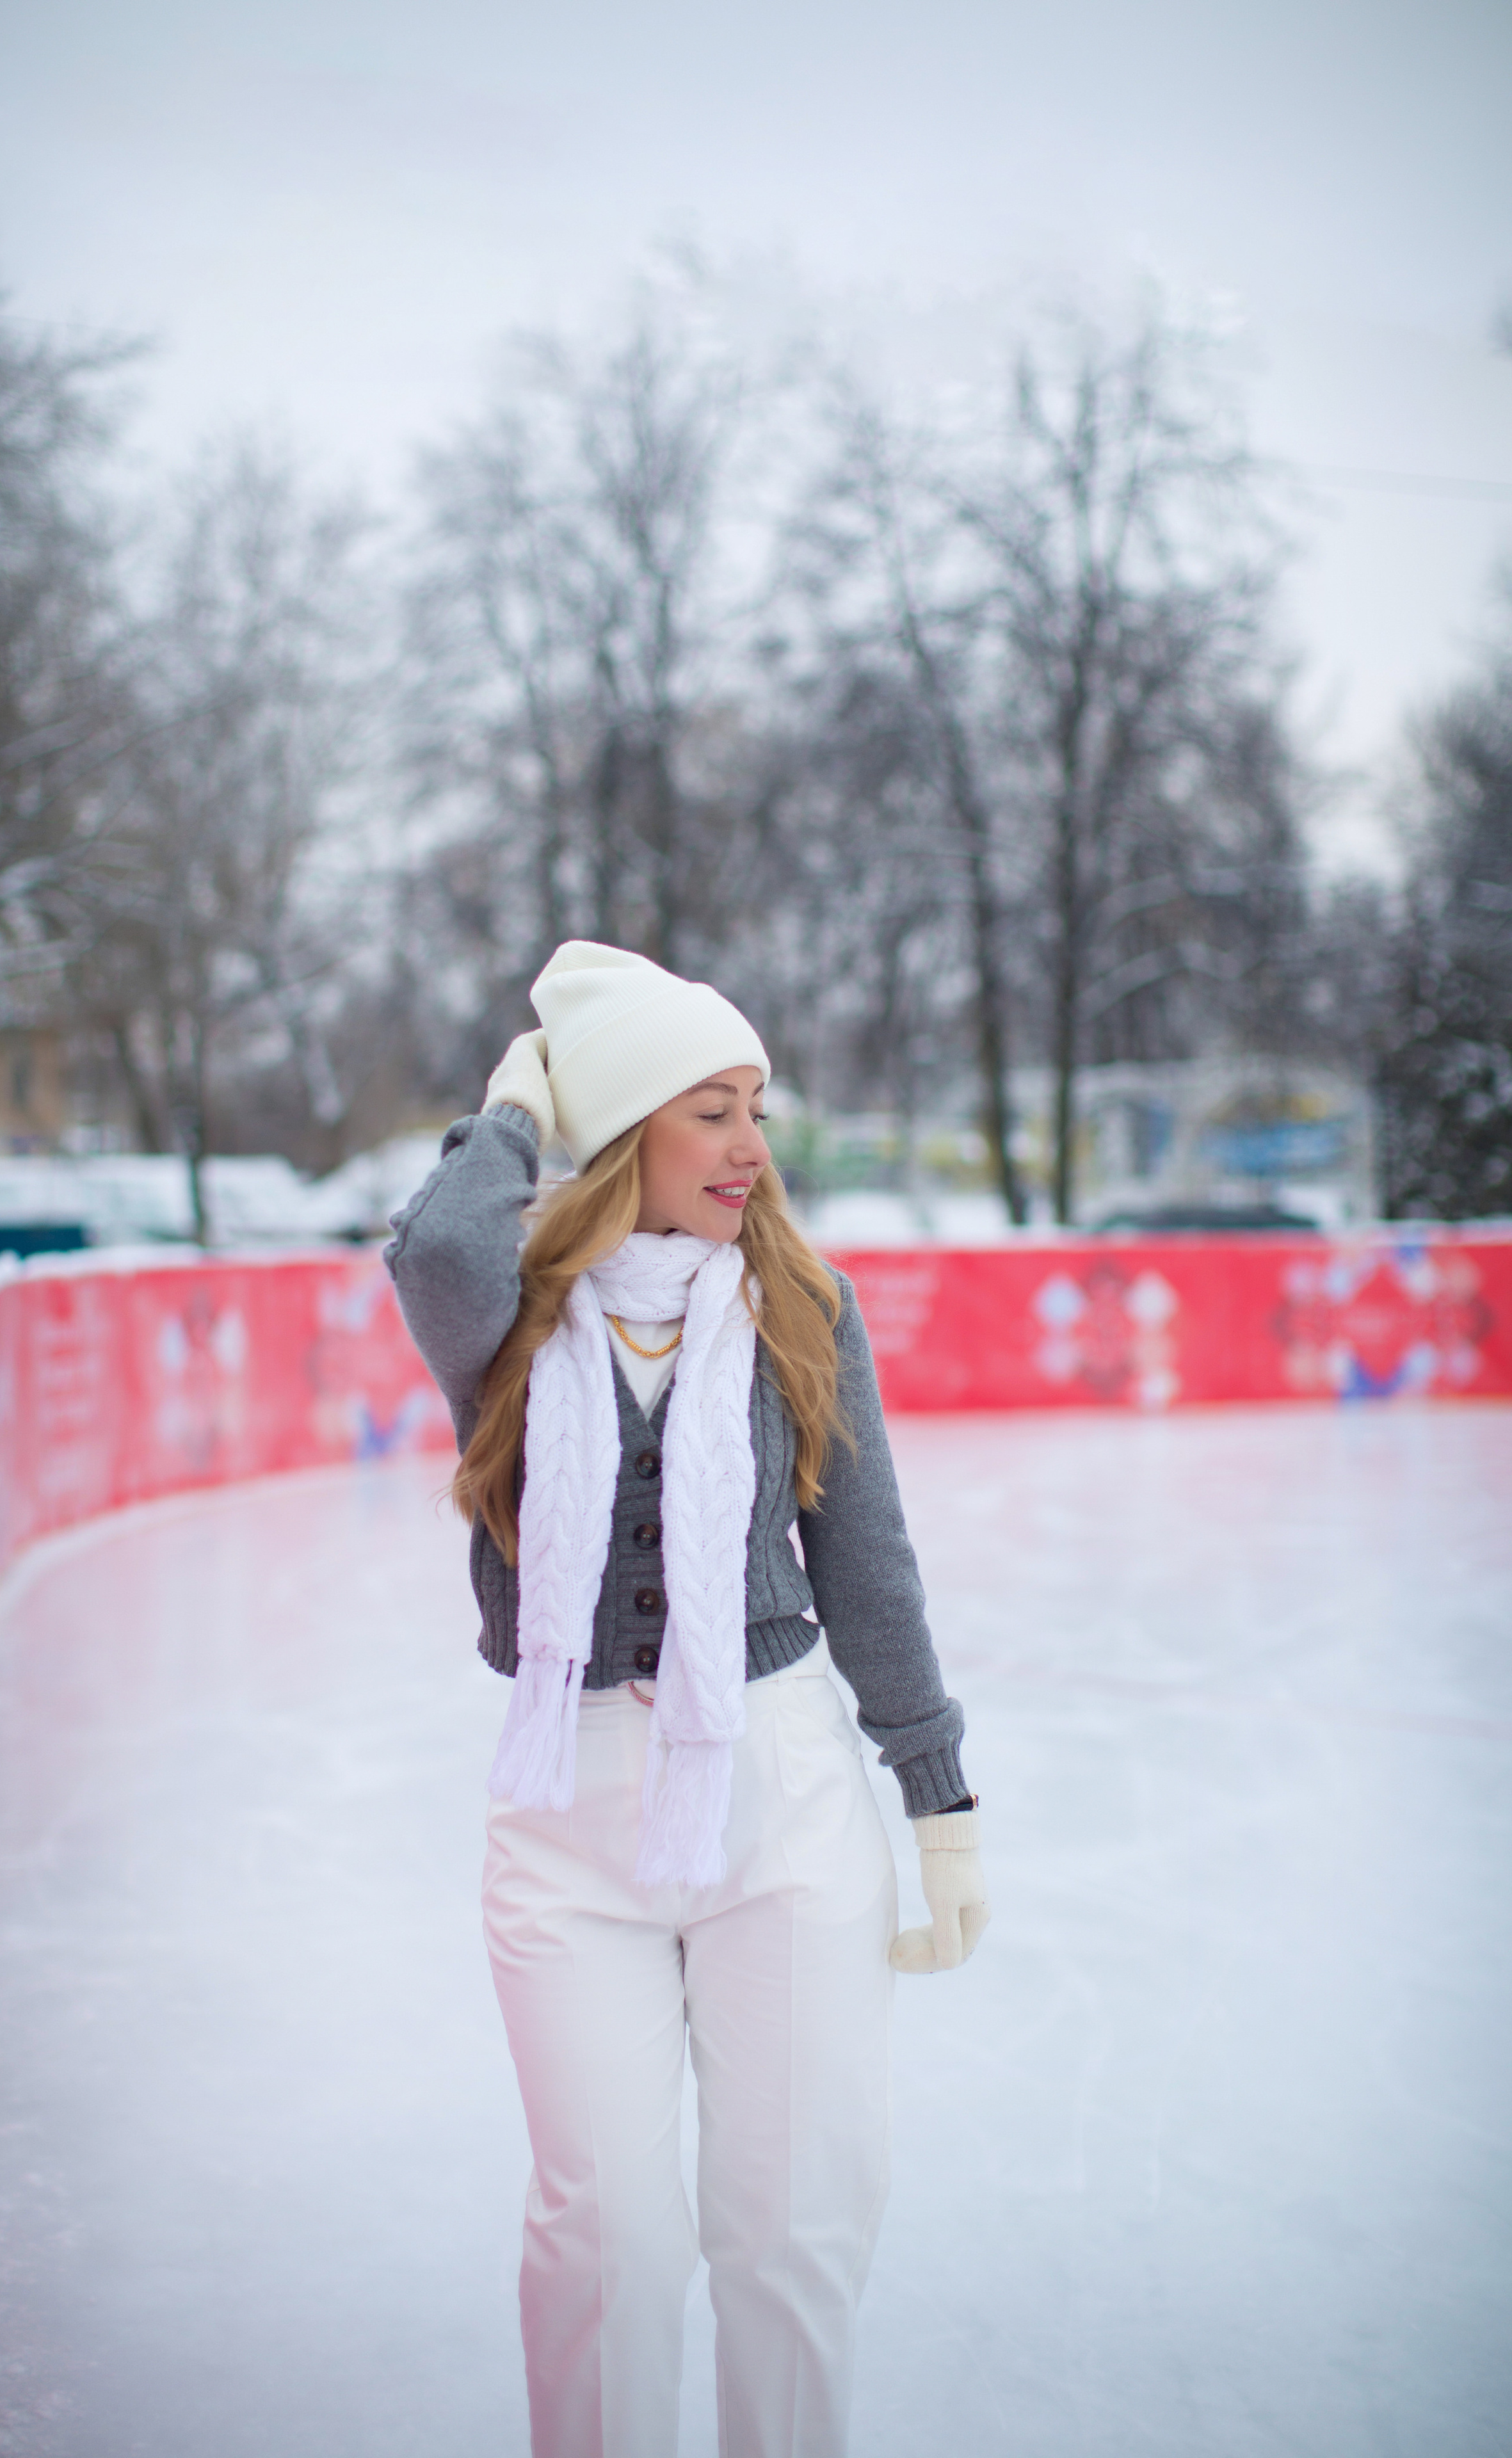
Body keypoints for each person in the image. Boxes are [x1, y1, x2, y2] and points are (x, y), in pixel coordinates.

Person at [385, 941, 988, 2458]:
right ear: (619, 1131)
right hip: (567, 1813)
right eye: (708, 1111)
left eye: (755, 1113)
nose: (747, 1149)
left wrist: (936, 1798)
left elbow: (867, 1564)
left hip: (776, 1803)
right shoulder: (511, 1316)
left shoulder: (800, 1305)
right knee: (606, 2249)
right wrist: (514, 1111)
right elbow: (436, 1251)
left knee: (791, 2236)